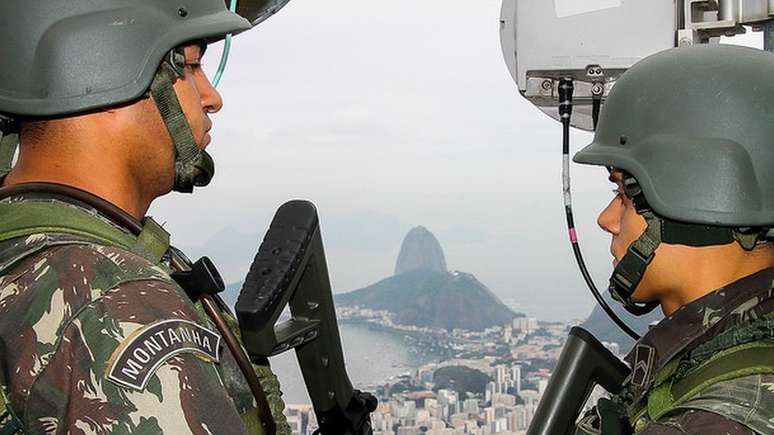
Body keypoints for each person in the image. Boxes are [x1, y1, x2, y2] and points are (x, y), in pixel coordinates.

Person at [0, 0, 293, 433]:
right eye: (191, 67)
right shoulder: (114, 304)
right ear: (106, 72)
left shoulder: (24, 242)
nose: (212, 98)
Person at [573, 44, 774, 435]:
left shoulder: (705, 422)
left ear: (696, 195)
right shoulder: (730, 358)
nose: (606, 219)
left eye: (625, 195)